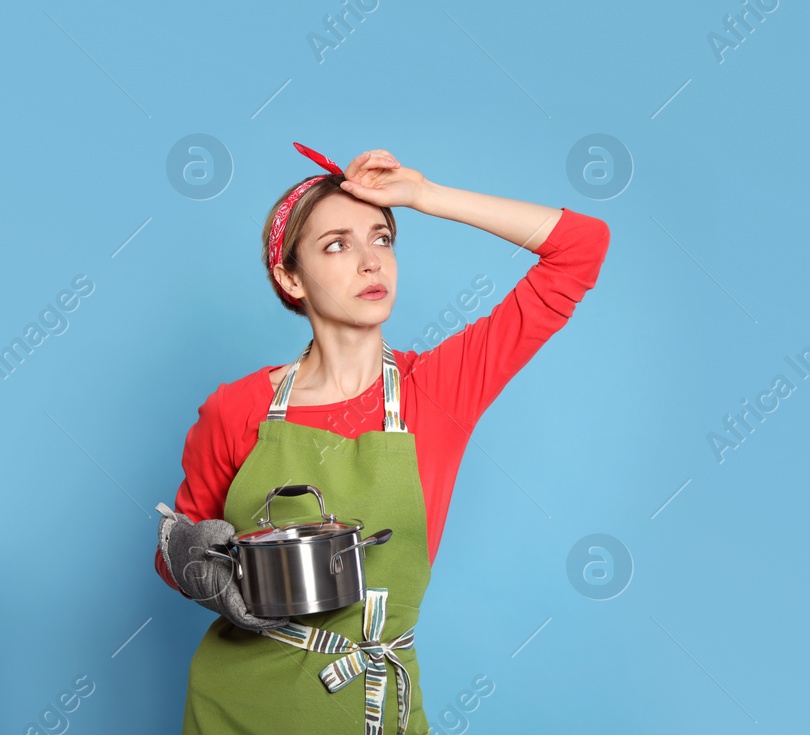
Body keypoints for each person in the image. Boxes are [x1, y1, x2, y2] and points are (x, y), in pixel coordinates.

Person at [152, 143, 611, 733]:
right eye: (336, 245)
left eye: (383, 238)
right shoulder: (236, 408)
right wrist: (189, 561)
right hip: (235, 707)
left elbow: (580, 247)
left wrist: (424, 195)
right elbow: (182, 553)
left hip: (371, 702)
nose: (371, 261)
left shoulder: (439, 391)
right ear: (290, 278)